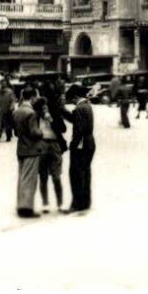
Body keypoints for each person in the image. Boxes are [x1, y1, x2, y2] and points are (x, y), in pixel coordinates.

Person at [12, 86, 45, 218]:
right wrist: (41, 131)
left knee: (21, 178)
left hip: (21, 148)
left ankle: (20, 205)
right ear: (32, 97)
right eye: (36, 96)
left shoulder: (17, 111)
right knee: (29, 179)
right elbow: (35, 133)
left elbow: (15, 132)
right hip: (32, 149)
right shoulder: (31, 113)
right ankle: (26, 208)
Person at [64, 86, 95, 214]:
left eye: (71, 99)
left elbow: (79, 130)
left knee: (76, 174)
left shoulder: (79, 108)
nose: (71, 101)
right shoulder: (87, 106)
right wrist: (63, 111)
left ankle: (77, 204)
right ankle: (85, 202)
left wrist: (74, 145)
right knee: (85, 172)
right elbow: (75, 120)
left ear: (75, 96)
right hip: (89, 142)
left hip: (81, 143)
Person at [34, 97, 66, 214]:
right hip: (41, 145)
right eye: (42, 108)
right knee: (43, 177)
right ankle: (45, 204)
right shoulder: (35, 118)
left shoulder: (55, 115)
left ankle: (60, 203)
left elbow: (63, 129)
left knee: (56, 176)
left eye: (46, 106)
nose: (45, 109)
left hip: (54, 145)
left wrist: (51, 120)